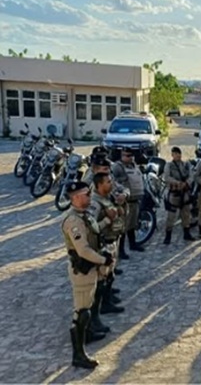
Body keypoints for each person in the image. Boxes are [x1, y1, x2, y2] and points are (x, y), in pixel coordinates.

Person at [62, 181, 114, 369]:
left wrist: (108, 222)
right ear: (75, 197)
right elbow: (82, 250)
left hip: (92, 268)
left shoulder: (85, 215)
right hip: (83, 270)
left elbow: (96, 231)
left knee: (88, 307)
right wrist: (102, 260)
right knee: (82, 312)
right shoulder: (73, 220)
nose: (89, 196)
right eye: (86, 194)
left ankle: (88, 335)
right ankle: (78, 355)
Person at [88, 173, 125, 318]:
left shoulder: (107, 197)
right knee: (101, 280)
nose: (111, 184)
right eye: (108, 182)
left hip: (112, 240)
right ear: (99, 185)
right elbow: (91, 227)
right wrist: (108, 220)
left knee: (109, 275)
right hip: (103, 245)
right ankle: (97, 313)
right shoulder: (94, 203)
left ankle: (107, 300)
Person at [112, 147, 145, 252]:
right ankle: (120, 250)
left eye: (131, 155)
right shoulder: (118, 167)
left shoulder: (134, 166)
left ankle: (133, 244)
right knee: (123, 227)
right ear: (122, 155)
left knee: (132, 224)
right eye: (127, 155)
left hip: (135, 201)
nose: (130, 157)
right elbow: (112, 181)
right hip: (125, 202)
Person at [163, 146, 196, 244]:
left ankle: (187, 233)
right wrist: (177, 183)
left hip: (185, 193)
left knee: (186, 214)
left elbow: (191, 175)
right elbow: (167, 177)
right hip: (174, 193)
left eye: (178, 154)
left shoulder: (186, 164)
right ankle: (168, 236)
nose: (177, 156)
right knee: (171, 215)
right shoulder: (169, 165)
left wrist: (186, 183)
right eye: (174, 154)